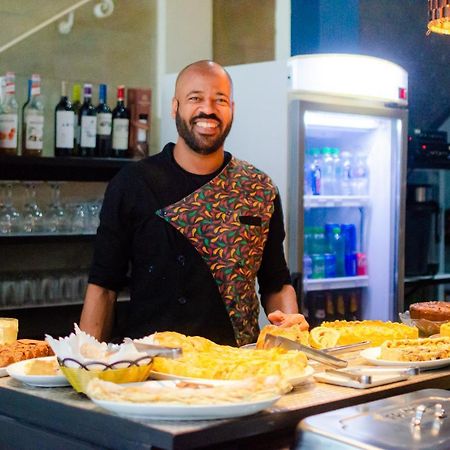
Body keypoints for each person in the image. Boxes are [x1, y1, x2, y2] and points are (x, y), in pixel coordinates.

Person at [80, 60, 308, 346]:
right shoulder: (133, 183)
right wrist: (84, 363)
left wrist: (293, 332)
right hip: (150, 366)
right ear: (175, 107)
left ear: (232, 110)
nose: (208, 109)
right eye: (195, 98)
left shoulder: (259, 188)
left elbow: (276, 282)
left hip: (236, 367)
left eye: (220, 100)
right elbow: (103, 286)